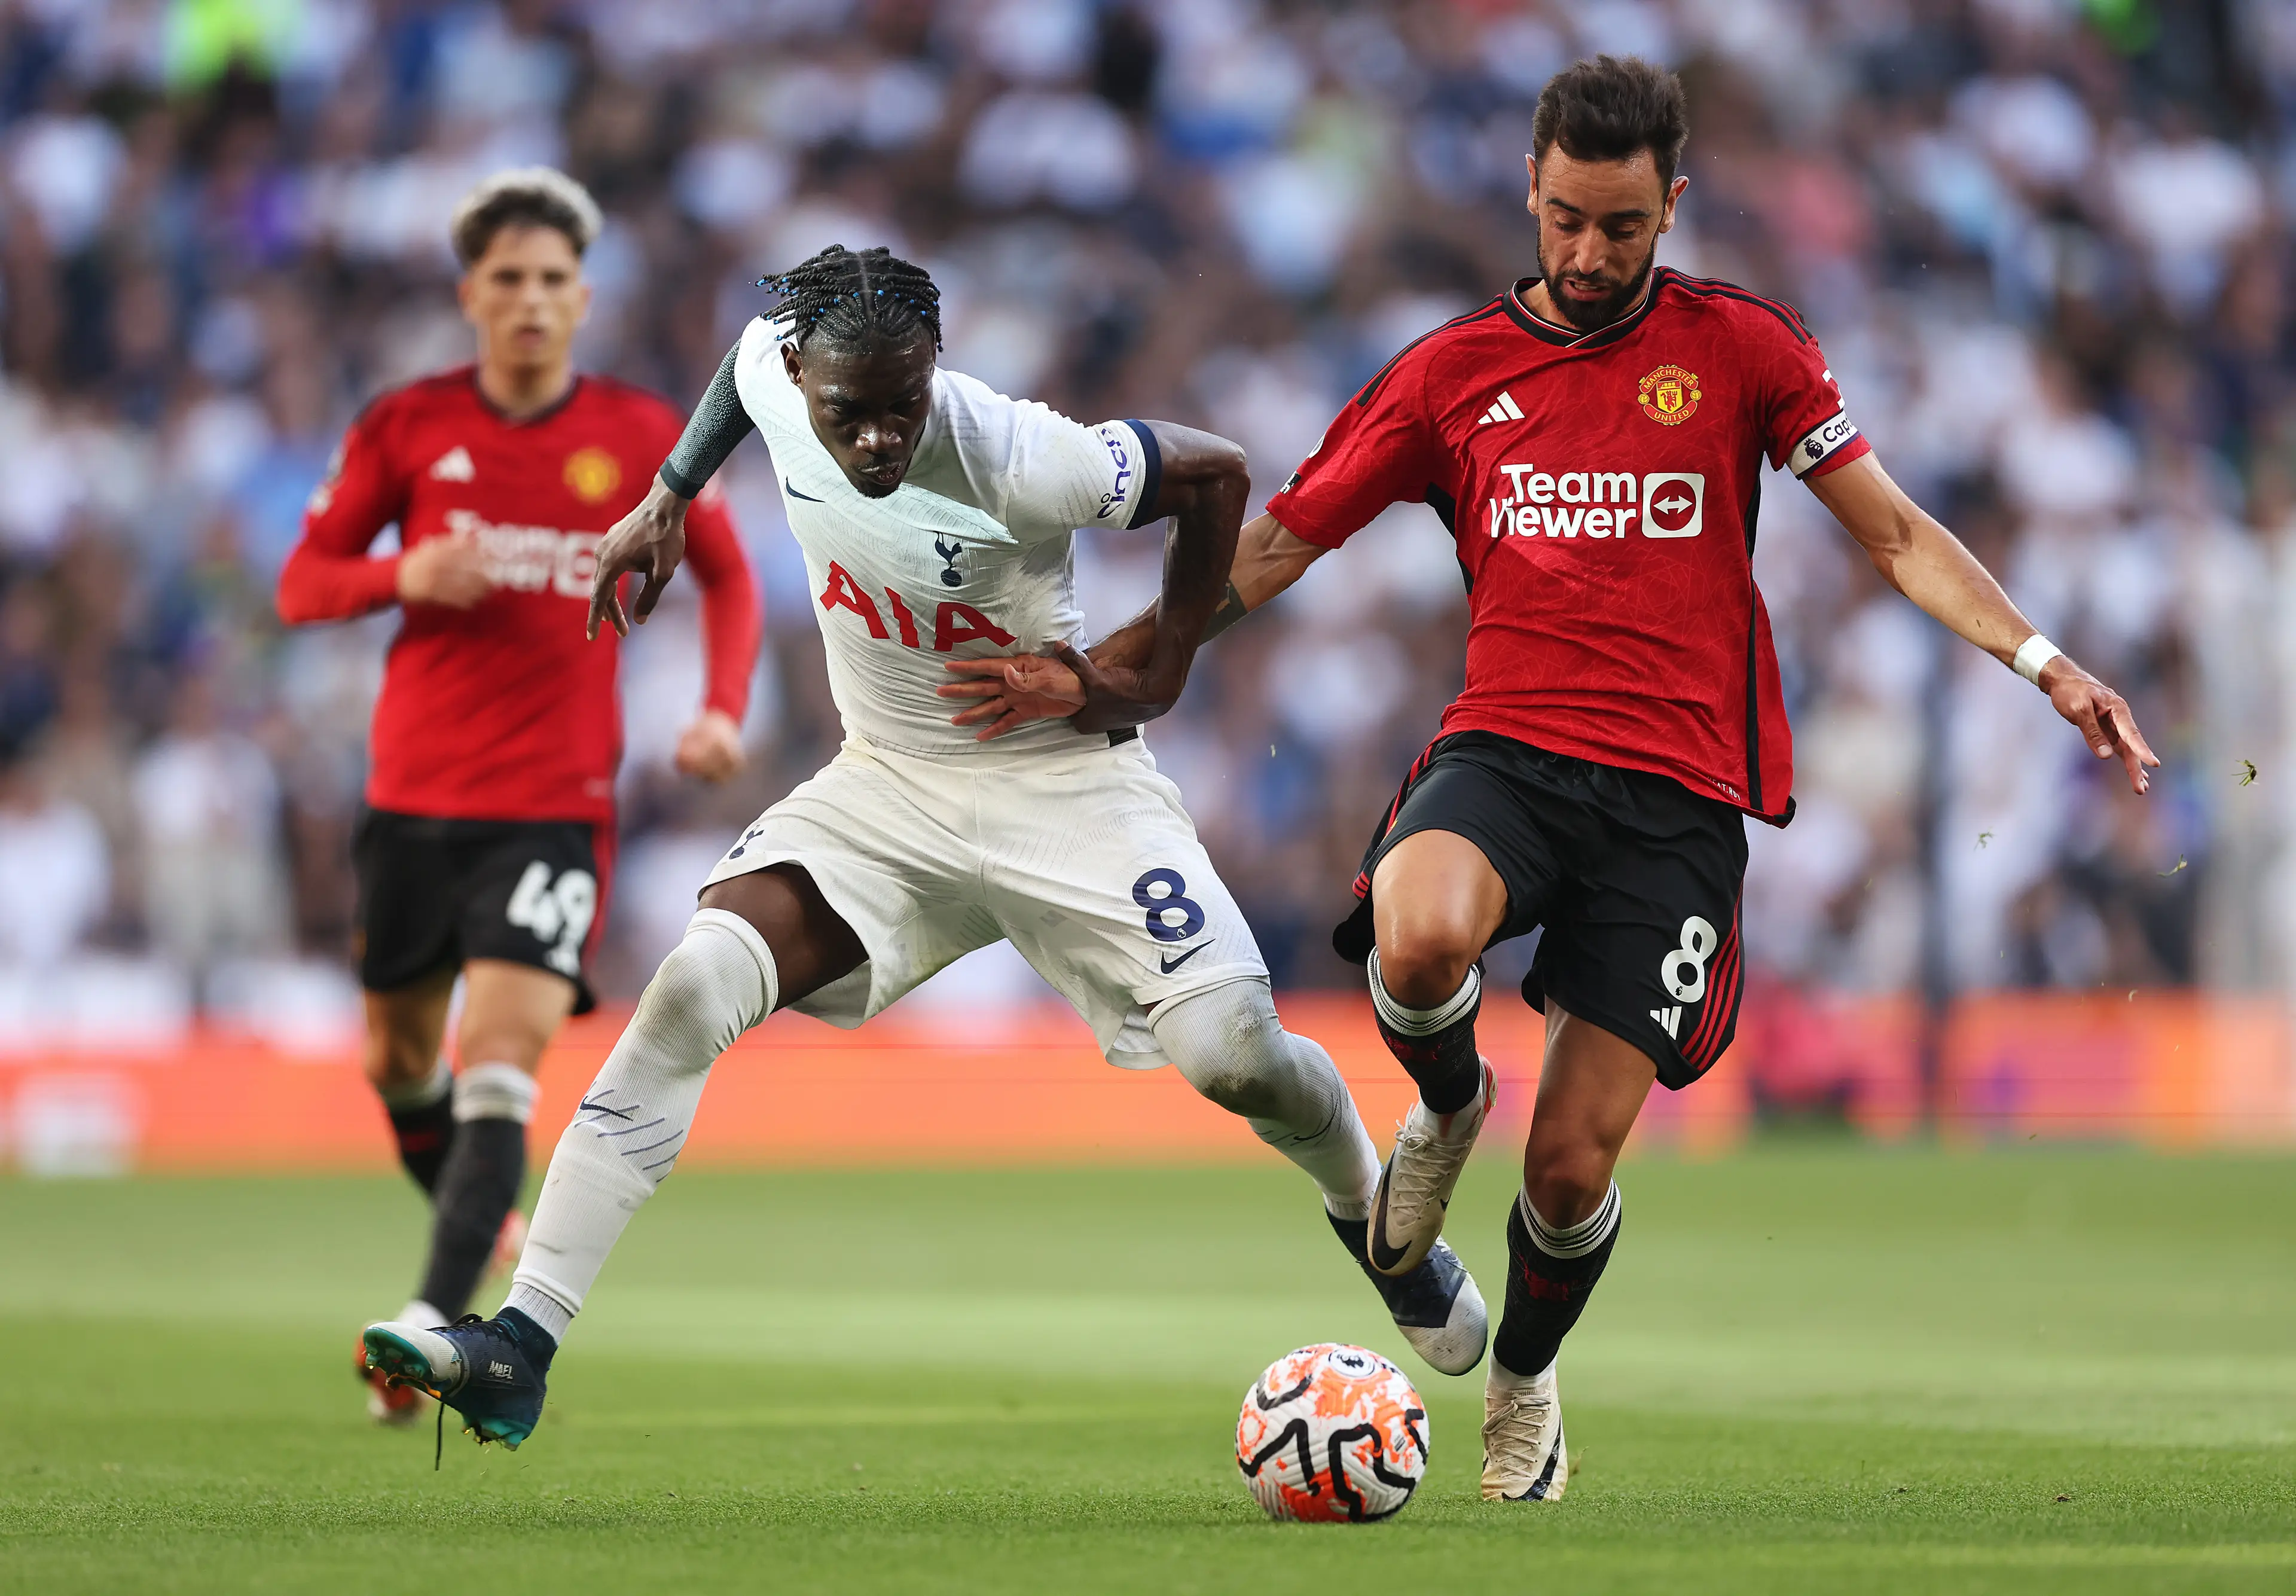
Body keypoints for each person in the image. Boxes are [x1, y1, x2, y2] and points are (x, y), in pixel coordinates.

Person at [940, 56, 2159, 1502]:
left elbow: (1892, 533)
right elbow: (1273, 548)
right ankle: (1447, 1104)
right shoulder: (1448, 376)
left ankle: (1522, 1375)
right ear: (1529, 184)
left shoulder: (1748, 350)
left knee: (1572, 1169)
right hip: (1509, 748)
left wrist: (2044, 659)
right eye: (1567, 219)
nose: (1588, 255)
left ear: (1672, 207)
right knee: (1420, 931)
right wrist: (1105, 669)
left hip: (1682, 800)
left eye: (1624, 228)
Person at [359, 243, 1488, 1451]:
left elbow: (1216, 476)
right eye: (853, 413)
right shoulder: (769, 363)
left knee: (1236, 1058)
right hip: (889, 784)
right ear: (803, 374)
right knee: (693, 981)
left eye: (906, 404)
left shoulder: (1018, 451)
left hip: (1067, 787)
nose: (884, 439)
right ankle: (519, 1343)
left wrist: (1137, 684)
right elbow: (736, 385)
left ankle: (1373, 1215)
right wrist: (668, 495)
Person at [277, 168, 760, 1427]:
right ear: (471, 296)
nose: (533, 301)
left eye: (554, 281)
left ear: (584, 297)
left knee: (497, 1058)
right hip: (410, 801)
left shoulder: (642, 435)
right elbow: (301, 581)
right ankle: (478, 1210)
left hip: (554, 806)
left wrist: (719, 707)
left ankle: (431, 1328)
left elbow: (728, 574)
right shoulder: (406, 426)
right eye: (510, 281)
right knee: (397, 1062)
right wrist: (399, 572)